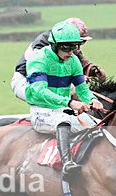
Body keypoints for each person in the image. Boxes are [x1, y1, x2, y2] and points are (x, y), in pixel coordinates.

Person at [24, 20, 104, 180]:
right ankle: (67, 164)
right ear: (54, 45)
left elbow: (82, 89)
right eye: (66, 47)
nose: (70, 52)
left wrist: (93, 99)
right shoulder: (39, 59)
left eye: (74, 47)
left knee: (98, 126)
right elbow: (39, 91)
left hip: (63, 109)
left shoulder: (73, 61)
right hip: (42, 112)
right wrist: (69, 102)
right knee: (63, 121)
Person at [10, 17, 106, 102]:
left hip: (47, 81)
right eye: (76, 44)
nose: (77, 48)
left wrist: (93, 69)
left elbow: (78, 60)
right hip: (24, 81)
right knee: (73, 93)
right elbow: (42, 74)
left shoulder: (63, 43)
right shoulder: (43, 46)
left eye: (81, 43)